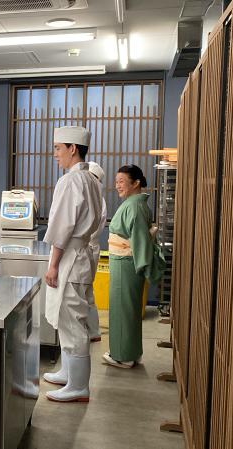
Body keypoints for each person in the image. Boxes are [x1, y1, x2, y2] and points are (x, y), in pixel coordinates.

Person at [42, 126, 102, 403]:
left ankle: (79, 387)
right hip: (81, 254)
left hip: (70, 256)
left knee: (72, 321)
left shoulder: (70, 181)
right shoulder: (91, 179)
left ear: (72, 149)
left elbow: (62, 226)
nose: (55, 154)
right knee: (69, 318)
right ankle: (68, 373)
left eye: (58, 148)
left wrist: (53, 264)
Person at [103, 165, 164, 368]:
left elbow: (139, 241)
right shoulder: (134, 204)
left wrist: (145, 266)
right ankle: (131, 351)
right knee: (128, 309)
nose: (117, 185)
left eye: (121, 181)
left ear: (136, 183)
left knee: (123, 309)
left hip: (126, 263)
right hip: (124, 263)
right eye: (116, 181)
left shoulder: (134, 207)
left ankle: (123, 356)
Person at [87, 161, 107, 343]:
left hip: (88, 248)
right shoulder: (96, 197)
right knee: (86, 291)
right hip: (89, 248)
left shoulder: (96, 199)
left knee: (84, 291)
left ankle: (92, 331)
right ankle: (92, 331)